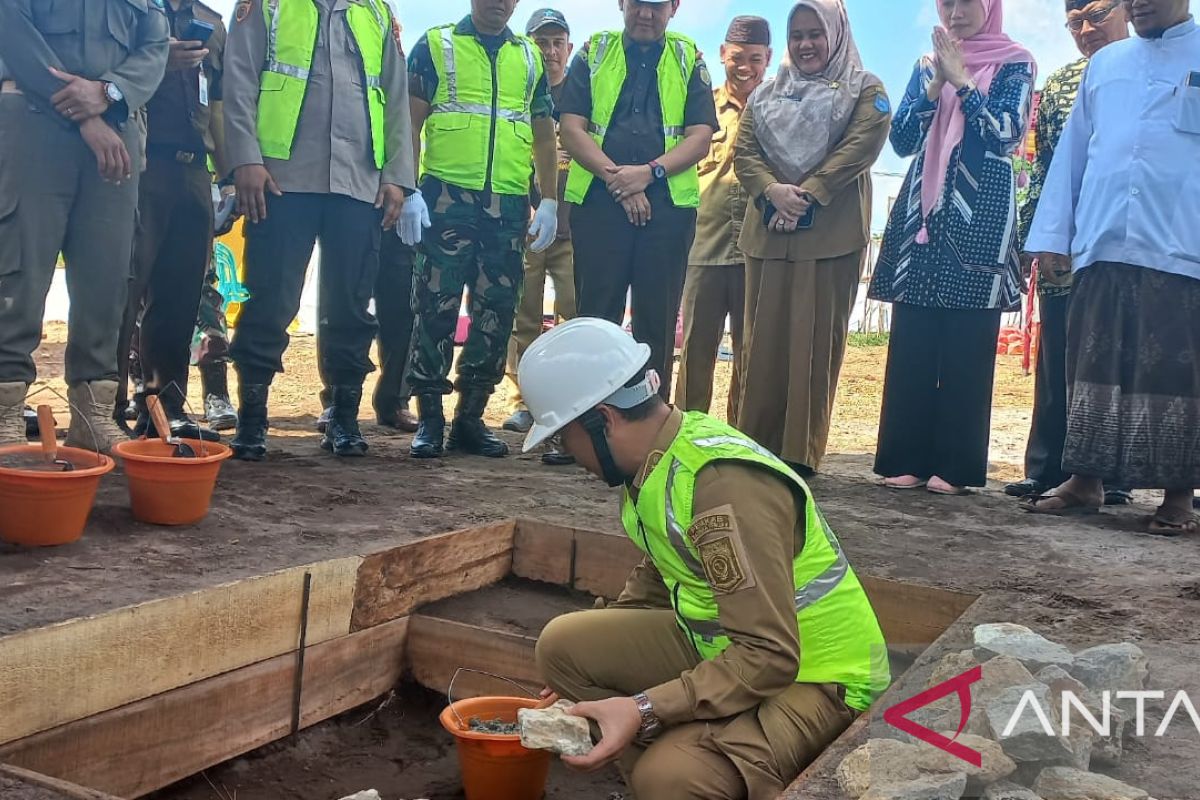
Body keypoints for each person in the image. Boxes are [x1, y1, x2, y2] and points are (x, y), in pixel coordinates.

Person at [520, 318, 890, 800]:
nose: (566, 454)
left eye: (561, 439)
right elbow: (663, 567)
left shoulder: (722, 486)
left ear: (603, 419)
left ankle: (687, 761)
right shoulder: (657, 459)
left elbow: (771, 655)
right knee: (563, 647)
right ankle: (685, 744)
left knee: (671, 778)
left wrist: (645, 708)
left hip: (817, 677)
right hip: (728, 649)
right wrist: (606, 673)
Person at [1023, 0, 1199, 535]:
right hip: (1102, 237)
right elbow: (1075, 150)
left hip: (1182, 241)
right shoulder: (1107, 63)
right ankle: (1084, 480)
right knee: (1092, 362)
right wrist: (1054, 234)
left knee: (1174, 371)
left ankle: (1177, 495)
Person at [223, 0, 415, 461]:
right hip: (282, 178)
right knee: (269, 296)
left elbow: (394, 96)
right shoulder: (266, 5)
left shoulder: (375, 12)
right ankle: (252, 420)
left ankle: (344, 418)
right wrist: (245, 159)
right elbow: (239, 79)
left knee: (349, 303)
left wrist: (397, 177)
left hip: (358, 181)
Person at [868, 0, 1036, 496]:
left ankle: (956, 466)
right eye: (947, 3)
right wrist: (935, 83)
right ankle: (905, 457)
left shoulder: (1016, 62)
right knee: (914, 338)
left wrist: (964, 83)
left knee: (966, 344)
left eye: (967, 3)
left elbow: (1005, 135)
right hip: (923, 215)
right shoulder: (927, 63)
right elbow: (900, 140)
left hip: (979, 218)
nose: (956, 12)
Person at [0, 1, 168, 451]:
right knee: (19, 265)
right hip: (32, 121)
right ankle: (4, 412)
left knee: (107, 273)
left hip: (118, 132)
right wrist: (87, 116)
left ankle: (92, 415)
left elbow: (154, 46)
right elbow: (12, 30)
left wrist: (110, 94)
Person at [734, 1, 891, 476]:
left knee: (814, 345)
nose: (805, 44)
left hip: (829, 236)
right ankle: (751, 445)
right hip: (769, 232)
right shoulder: (767, 94)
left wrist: (808, 193)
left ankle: (799, 455)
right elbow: (745, 150)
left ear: (837, 35)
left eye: (815, 34)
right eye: (797, 35)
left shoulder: (865, 89)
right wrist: (772, 190)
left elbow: (862, 144)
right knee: (759, 345)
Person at [401, 0, 560, 460]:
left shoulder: (529, 56)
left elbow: (543, 131)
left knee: (496, 314)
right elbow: (410, 120)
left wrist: (547, 198)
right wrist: (408, 188)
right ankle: (429, 415)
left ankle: (470, 418)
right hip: (446, 199)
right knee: (435, 307)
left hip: (508, 206)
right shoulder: (436, 44)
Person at [1004, 0, 1132, 505]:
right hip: (1069, 246)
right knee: (1058, 357)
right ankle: (1046, 469)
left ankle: (1115, 476)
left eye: (1097, 15)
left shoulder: (1158, 71)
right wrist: (1038, 240)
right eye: (1074, 22)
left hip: (1128, 248)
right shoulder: (1057, 86)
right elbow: (1043, 168)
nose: (1085, 29)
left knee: (1120, 360)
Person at [558, 0, 718, 403]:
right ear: (621, 4)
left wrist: (647, 174)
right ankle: (588, 422)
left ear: (674, 7)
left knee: (656, 324)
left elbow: (700, 137)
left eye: (656, 5)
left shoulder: (688, 57)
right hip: (599, 206)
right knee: (595, 322)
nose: (646, 13)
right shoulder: (593, 52)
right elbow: (571, 128)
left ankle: (649, 427)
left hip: (666, 213)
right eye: (637, 4)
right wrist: (620, 180)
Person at [115, 0, 230, 443]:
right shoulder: (130, 11)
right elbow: (107, 76)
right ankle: (107, 405)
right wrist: (156, 62)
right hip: (140, 163)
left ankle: (164, 407)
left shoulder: (213, 24)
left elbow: (217, 106)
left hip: (193, 169)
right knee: (124, 288)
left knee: (182, 295)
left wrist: (229, 175)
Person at [674, 16, 772, 424]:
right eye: (737, 57)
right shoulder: (700, 109)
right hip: (703, 248)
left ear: (768, 59)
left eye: (755, 58)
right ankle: (686, 434)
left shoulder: (778, 112)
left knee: (753, 354)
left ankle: (740, 438)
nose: (745, 67)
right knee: (695, 351)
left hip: (759, 251)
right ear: (722, 55)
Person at [502, 9, 579, 468]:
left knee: (572, 316)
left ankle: (567, 401)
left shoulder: (580, 92)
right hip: (524, 225)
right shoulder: (518, 86)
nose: (550, 52)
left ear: (569, 48)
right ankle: (525, 401)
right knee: (524, 316)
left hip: (574, 227)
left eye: (557, 42)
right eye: (541, 42)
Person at [316, 235, 421, 435]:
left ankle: (395, 401)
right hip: (351, 209)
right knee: (339, 302)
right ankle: (335, 398)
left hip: (402, 220)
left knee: (403, 305)